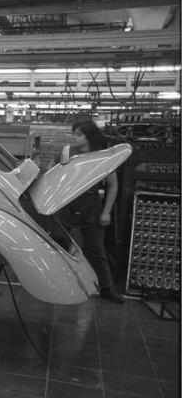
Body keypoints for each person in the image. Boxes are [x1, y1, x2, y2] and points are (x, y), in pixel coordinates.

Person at [60, 117, 124, 304]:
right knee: (59, 245)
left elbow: (113, 186)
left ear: (89, 136)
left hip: (91, 207)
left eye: (79, 134)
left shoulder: (101, 158)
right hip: (67, 204)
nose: (75, 138)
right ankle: (60, 282)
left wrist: (106, 211)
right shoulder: (67, 153)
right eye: (74, 134)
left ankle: (106, 288)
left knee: (96, 250)